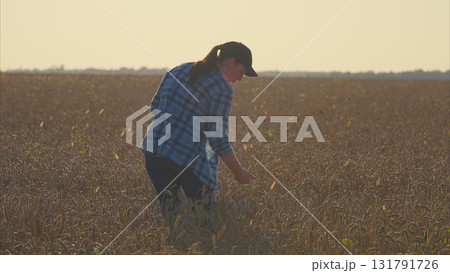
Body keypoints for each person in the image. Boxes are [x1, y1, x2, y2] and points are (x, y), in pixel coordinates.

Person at [142, 41, 257, 214]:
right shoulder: (222, 88)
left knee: (171, 214)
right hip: (184, 158)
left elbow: (155, 107)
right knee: (208, 218)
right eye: (242, 72)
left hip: (153, 152)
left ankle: (174, 240)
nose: (240, 79)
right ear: (231, 62)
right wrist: (239, 172)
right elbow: (217, 136)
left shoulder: (178, 70)